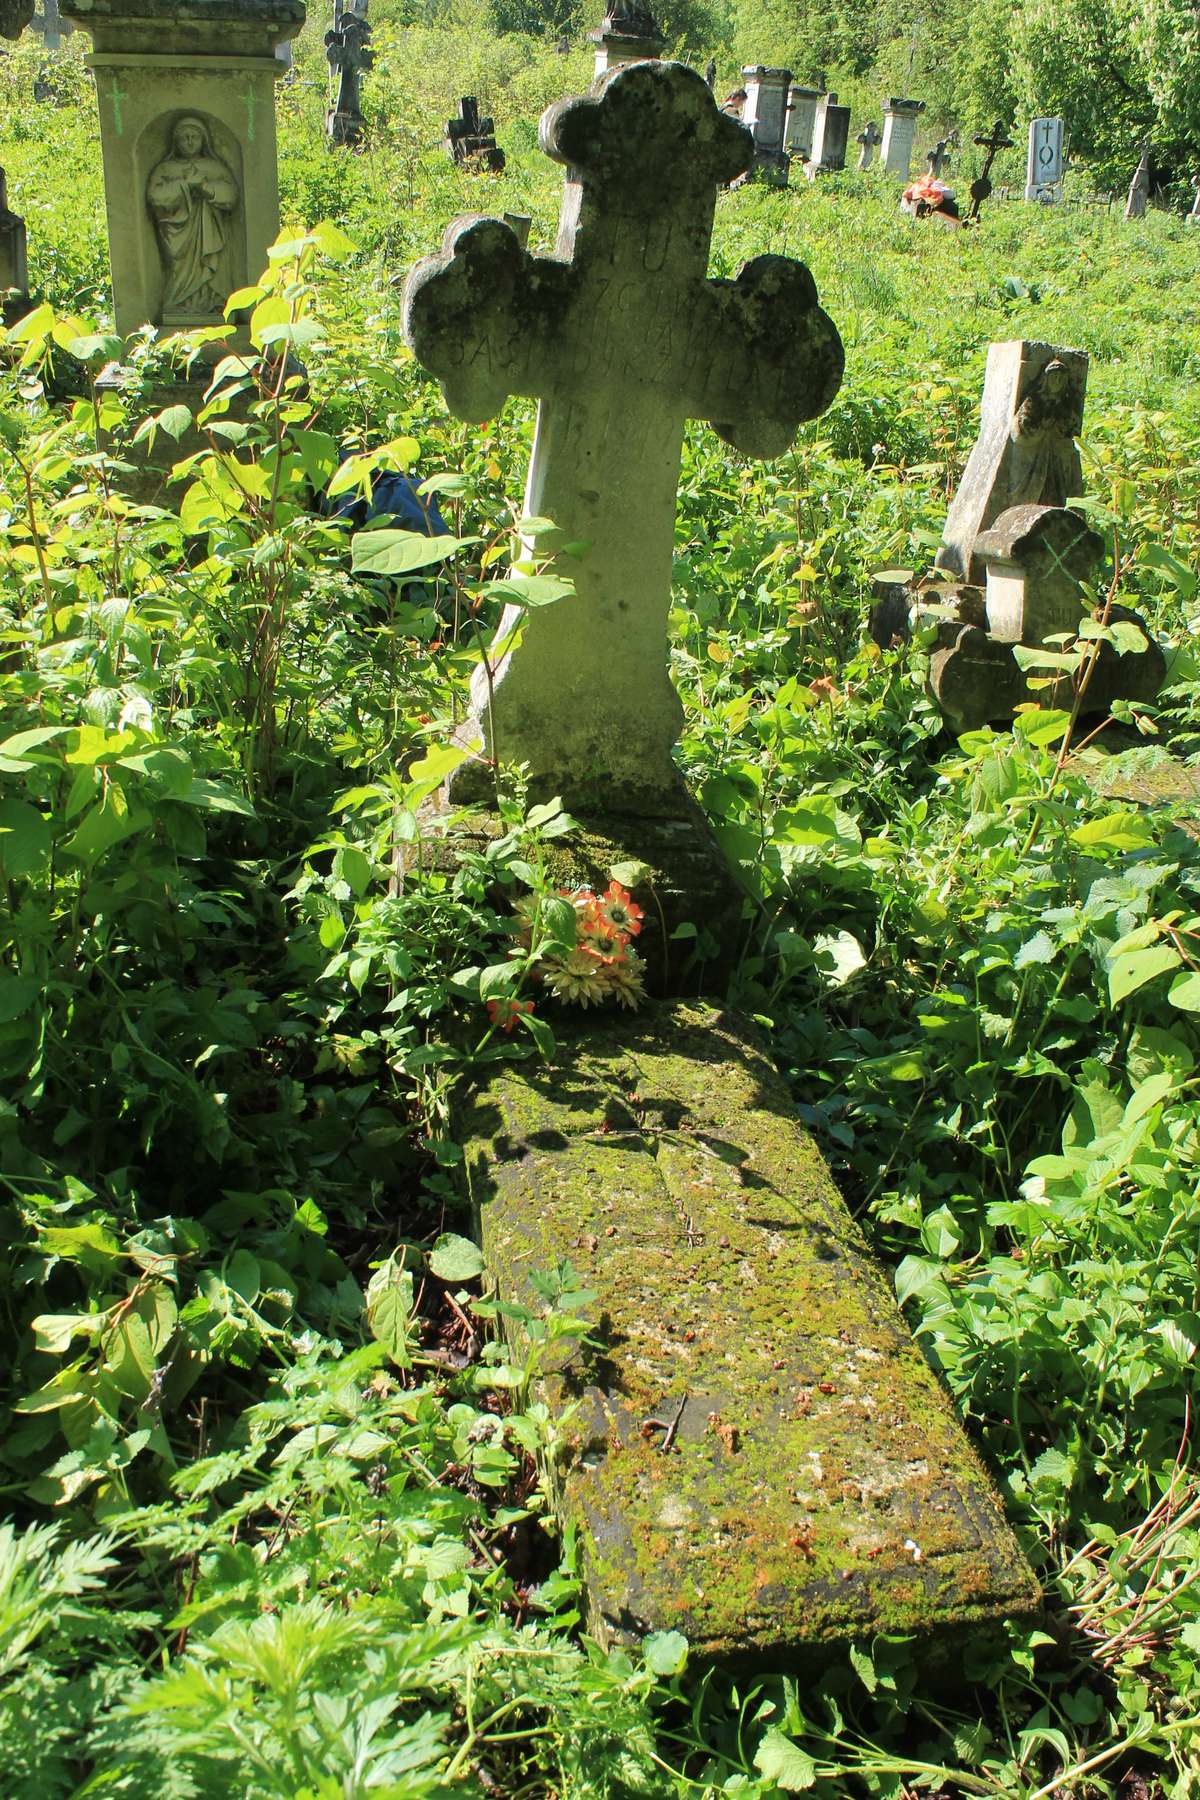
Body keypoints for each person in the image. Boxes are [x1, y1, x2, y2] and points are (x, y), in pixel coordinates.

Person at [146, 115, 239, 321]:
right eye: (184, 138)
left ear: (203, 139)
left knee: (211, 270)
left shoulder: (214, 167)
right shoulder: (166, 168)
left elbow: (231, 194)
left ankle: (213, 304)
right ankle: (179, 305)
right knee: (179, 272)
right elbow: (155, 197)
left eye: (194, 137)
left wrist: (206, 189)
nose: (189, 142)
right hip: (179, 234)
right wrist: (185, 186)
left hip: (210, 232)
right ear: (176, 142)